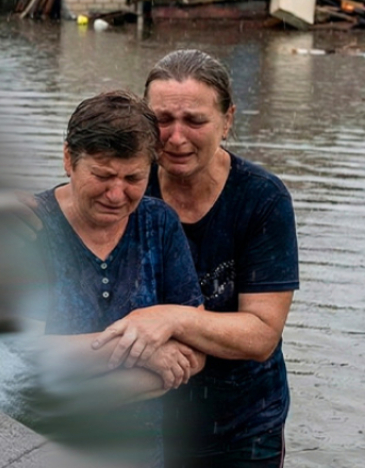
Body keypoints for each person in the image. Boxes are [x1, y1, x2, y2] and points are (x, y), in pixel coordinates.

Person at [92, 50, 299, 467]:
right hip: (141, 414)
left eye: (195, 121)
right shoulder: (127, 186)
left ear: (228, 120)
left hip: (242, 425)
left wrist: (171, 318)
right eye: (162, 120)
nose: (174, 137)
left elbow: (261, 335)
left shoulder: (261, 199)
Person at [25, 90, 205, 467]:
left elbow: (193, 351)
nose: (117, 193)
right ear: (68, 160)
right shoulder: (30, 229)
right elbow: (23, 360)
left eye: (133, 177)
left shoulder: (160, 224)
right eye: (103, 175)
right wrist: (146, 351)